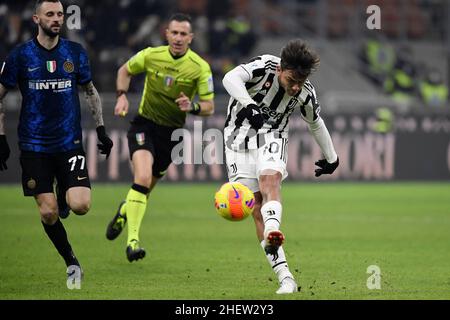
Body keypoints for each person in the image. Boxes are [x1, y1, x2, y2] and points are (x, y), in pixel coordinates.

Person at [0, 0, 113, 281]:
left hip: (68, 142)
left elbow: (90, 91)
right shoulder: (21, 56)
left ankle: (64, 190)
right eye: (50, 14)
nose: (56, 19)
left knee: (80, 206)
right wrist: (0, 136)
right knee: (49, 213)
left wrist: (101, 129)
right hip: (33, 145)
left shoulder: (74, 52)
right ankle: (72, 262)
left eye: (60, 14)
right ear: (37, 18)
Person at [221, 39, 339, 294]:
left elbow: (315, 123)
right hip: (237, 140)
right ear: (280, 70)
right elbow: (230, 78)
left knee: (270, 180)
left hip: (273, 136)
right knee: (254, 208)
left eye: (301, 81)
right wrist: (250, 105)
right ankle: (286, 277)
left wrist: (332, 158)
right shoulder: (263, 66)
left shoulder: (306, 92)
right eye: (291, 81)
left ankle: (273, 229)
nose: (296, 87)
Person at [105, 13, 215, 262]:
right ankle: (133, 242)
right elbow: (124, 70)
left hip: (172, 134)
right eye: (174, 33)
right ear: (166, 33)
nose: (178, 38)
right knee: (141, 178)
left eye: (183, 34)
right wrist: (121, 95)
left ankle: (125, 209)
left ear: (191, 37)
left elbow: (209, 106)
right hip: (145, 124)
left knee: (143, 191)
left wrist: (193, 106)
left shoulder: (199, 67)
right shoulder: (151, 55)